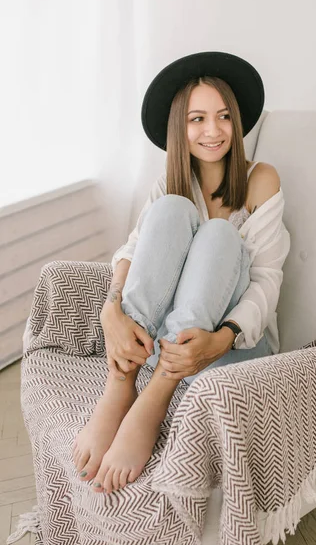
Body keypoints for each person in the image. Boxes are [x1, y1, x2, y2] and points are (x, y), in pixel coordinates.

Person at [72, 51, 290, 495]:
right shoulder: (170, 180)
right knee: (171, 210)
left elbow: (267, 280)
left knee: (219, 237)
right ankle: (122, 380)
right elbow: (133, 249)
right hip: (160, 345)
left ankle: (155, 398)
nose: (213, 131)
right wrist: (110, 308)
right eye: (197, 119)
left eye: (224, 116)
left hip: (223, 348)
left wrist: (222, 337)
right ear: (179, 127)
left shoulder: (261, 179)